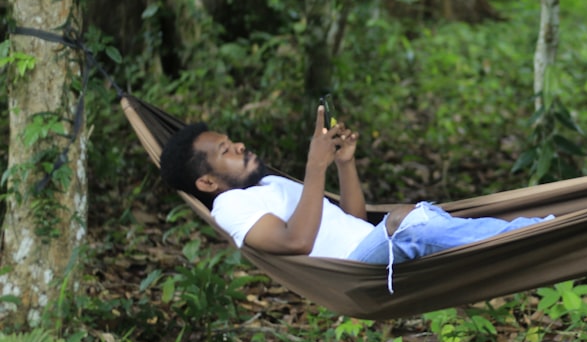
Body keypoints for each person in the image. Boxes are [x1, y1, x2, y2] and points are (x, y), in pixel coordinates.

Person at [159, 105, 553, 291]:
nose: (241, 146)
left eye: (233, 141)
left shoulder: (267, 187)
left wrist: (344, 164)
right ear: (207, 183)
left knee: (412, 221)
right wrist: (315, 167)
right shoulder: (232, 207)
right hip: (354, 270)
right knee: (408, 222)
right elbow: (296, 242)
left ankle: (527, 236)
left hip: (369, 245)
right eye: (227, 150)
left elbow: (354, 219)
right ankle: (534, 236)